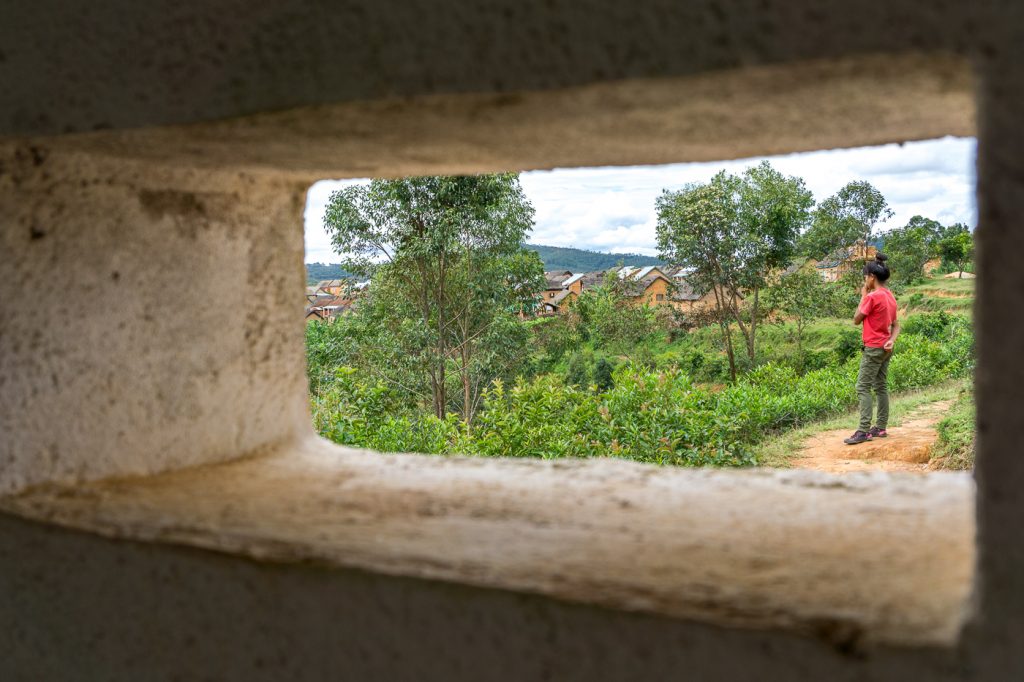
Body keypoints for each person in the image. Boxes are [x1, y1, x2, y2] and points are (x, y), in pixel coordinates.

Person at [844, 253, 900, 445]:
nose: (864, 280)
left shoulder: (872, 297)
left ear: (871, 277)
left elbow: (856, 319)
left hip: (873, 348)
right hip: (886, 347)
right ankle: (881, 427)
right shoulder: (890, 296)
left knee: (862, 387)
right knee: (881, 386)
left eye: (865, 276)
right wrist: (891, 340)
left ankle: (863, 430)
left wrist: (862, 296)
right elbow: (896, 325)